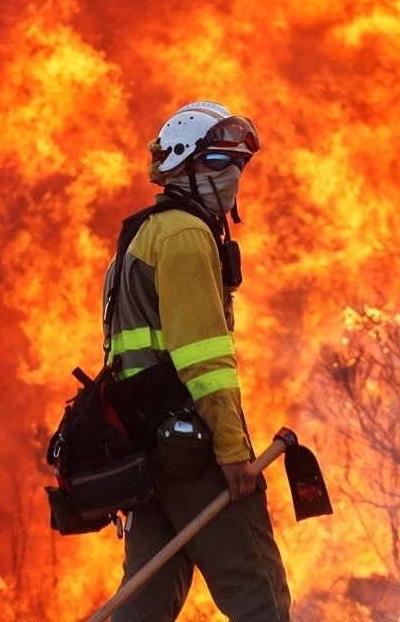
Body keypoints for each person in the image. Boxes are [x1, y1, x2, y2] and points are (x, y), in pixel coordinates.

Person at [104, 101, 291, 622]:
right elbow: (203, 358)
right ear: (183, 164)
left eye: (238, 164)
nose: (232, 175)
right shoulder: (185, 236)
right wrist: (232, 452)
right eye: (216, 162)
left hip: (149, 450)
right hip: (192, 447)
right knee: (260, 596)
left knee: (144, 601)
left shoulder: (145, 233)